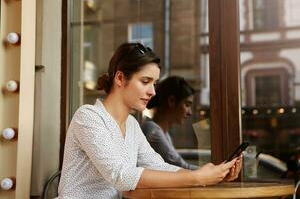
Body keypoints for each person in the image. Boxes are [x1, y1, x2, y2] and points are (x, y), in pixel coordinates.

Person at [58, 42, 242, 199]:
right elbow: (121, 175)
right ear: (120, 78)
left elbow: (158, 166)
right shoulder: (88, 117)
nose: (153, 92)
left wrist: (211, 176)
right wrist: (197, 179)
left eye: (154, 84)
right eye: (145, 81)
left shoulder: (132, 125)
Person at [141, 76, 198, 170]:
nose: (190, 112)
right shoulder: (153, 131)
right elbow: (181, 167)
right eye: (187, 105)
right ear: (171, 101)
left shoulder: (164, 133)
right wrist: (216, 172)